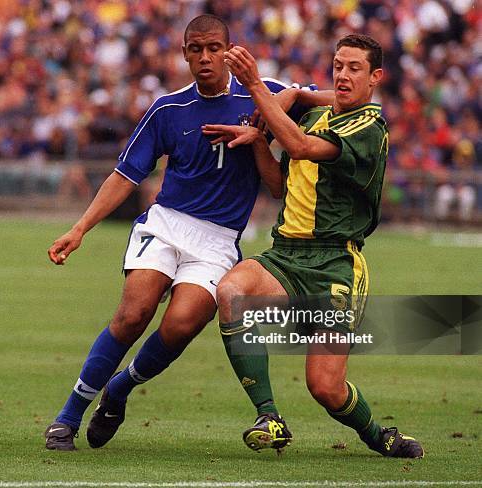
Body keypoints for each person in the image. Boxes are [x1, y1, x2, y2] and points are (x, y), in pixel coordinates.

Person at [44, 14, 332, 451]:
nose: (205, 57)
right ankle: (67, 416)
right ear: (184, 54)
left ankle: (119, 390)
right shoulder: (168, 109)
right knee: (133, 313)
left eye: (214, 48)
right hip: (166, 224)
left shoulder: (264, 92)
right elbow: (125, 175)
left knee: (180, 324)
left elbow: (343, 101)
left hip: (217, 239)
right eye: (195, 49)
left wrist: (292, 96)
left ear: (230, 50)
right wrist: (80, 228)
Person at [203, 34, 424, 458]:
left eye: (354, 68)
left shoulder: (369, 128)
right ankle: (269, 416)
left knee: (325, 388)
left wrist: (256, 87)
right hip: (285, 256)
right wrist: (257, 141)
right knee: (231, 291)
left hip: (336, 265)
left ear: (376, 77)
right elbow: (277, 186)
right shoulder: (315, 114)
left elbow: (301, 146)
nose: (343, 74)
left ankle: (378, 435)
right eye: (338, 65)